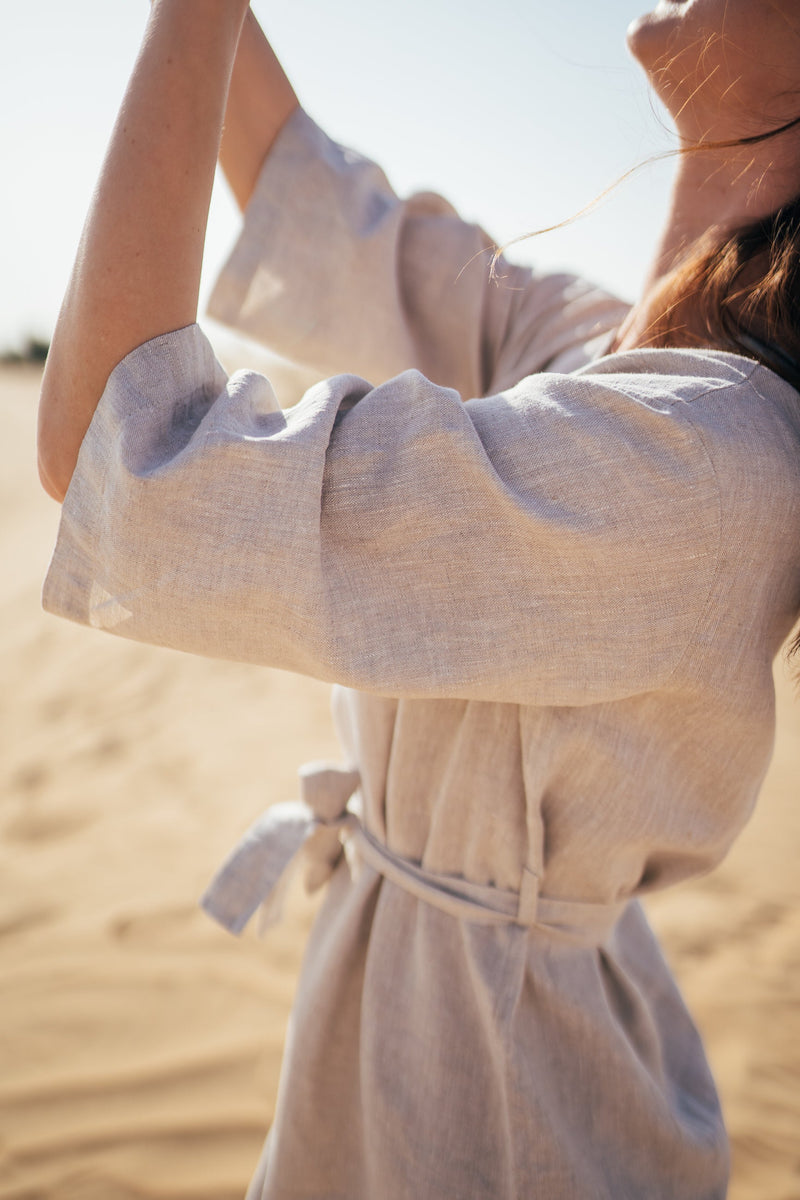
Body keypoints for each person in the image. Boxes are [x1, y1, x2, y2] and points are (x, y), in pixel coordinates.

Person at [38, 1, 800, 1197]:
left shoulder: (695, 466)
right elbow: (323, 201)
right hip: (441, 1015)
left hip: (500, 1097)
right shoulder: (614, 353)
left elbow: (125, 453)